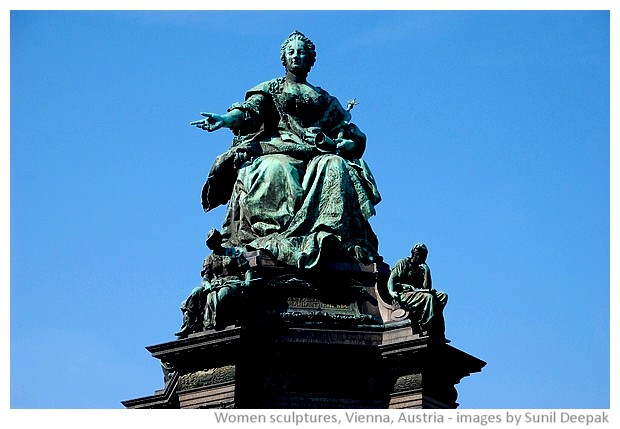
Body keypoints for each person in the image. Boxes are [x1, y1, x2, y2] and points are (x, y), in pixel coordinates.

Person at [190, 31, 381, 269]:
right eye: (291, 52)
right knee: (278, 168)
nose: (296, 56)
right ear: (284, 58)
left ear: (311, 59)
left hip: (315, 154)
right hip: (278, 148)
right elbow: (249, 112)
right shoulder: (271, 89)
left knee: (336, 164)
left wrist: (348, 144)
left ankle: (328, 236)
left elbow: (349, 132)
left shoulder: (323, 98)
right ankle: (274, 236)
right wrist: (225, 119)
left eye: (302, 52)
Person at [175, 229, 250, 338]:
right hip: (215, 284)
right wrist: (207, 284)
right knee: (195, 292)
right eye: (210, 242)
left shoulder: (232, 252)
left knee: (223, 294)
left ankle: (219, 322)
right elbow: (206, 278)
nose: (213, 243)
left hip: (232, 283)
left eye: (214, 240)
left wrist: (248, 281)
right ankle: (189, 324)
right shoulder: (209, 259)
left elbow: (247, 269)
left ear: (219, 241)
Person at [387, 243, 448, 340]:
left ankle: (437, 328)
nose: (424, 258)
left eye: (425, 256)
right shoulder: (403, 263)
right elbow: (392, 279)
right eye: (423, 255)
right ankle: (424, 325)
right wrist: (391, 291)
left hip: (416, 294)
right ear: (416, 254)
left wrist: (427, 271)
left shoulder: (420, 270)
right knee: (429, 298)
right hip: (404, 294)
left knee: (443, 296)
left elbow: (426, 287)